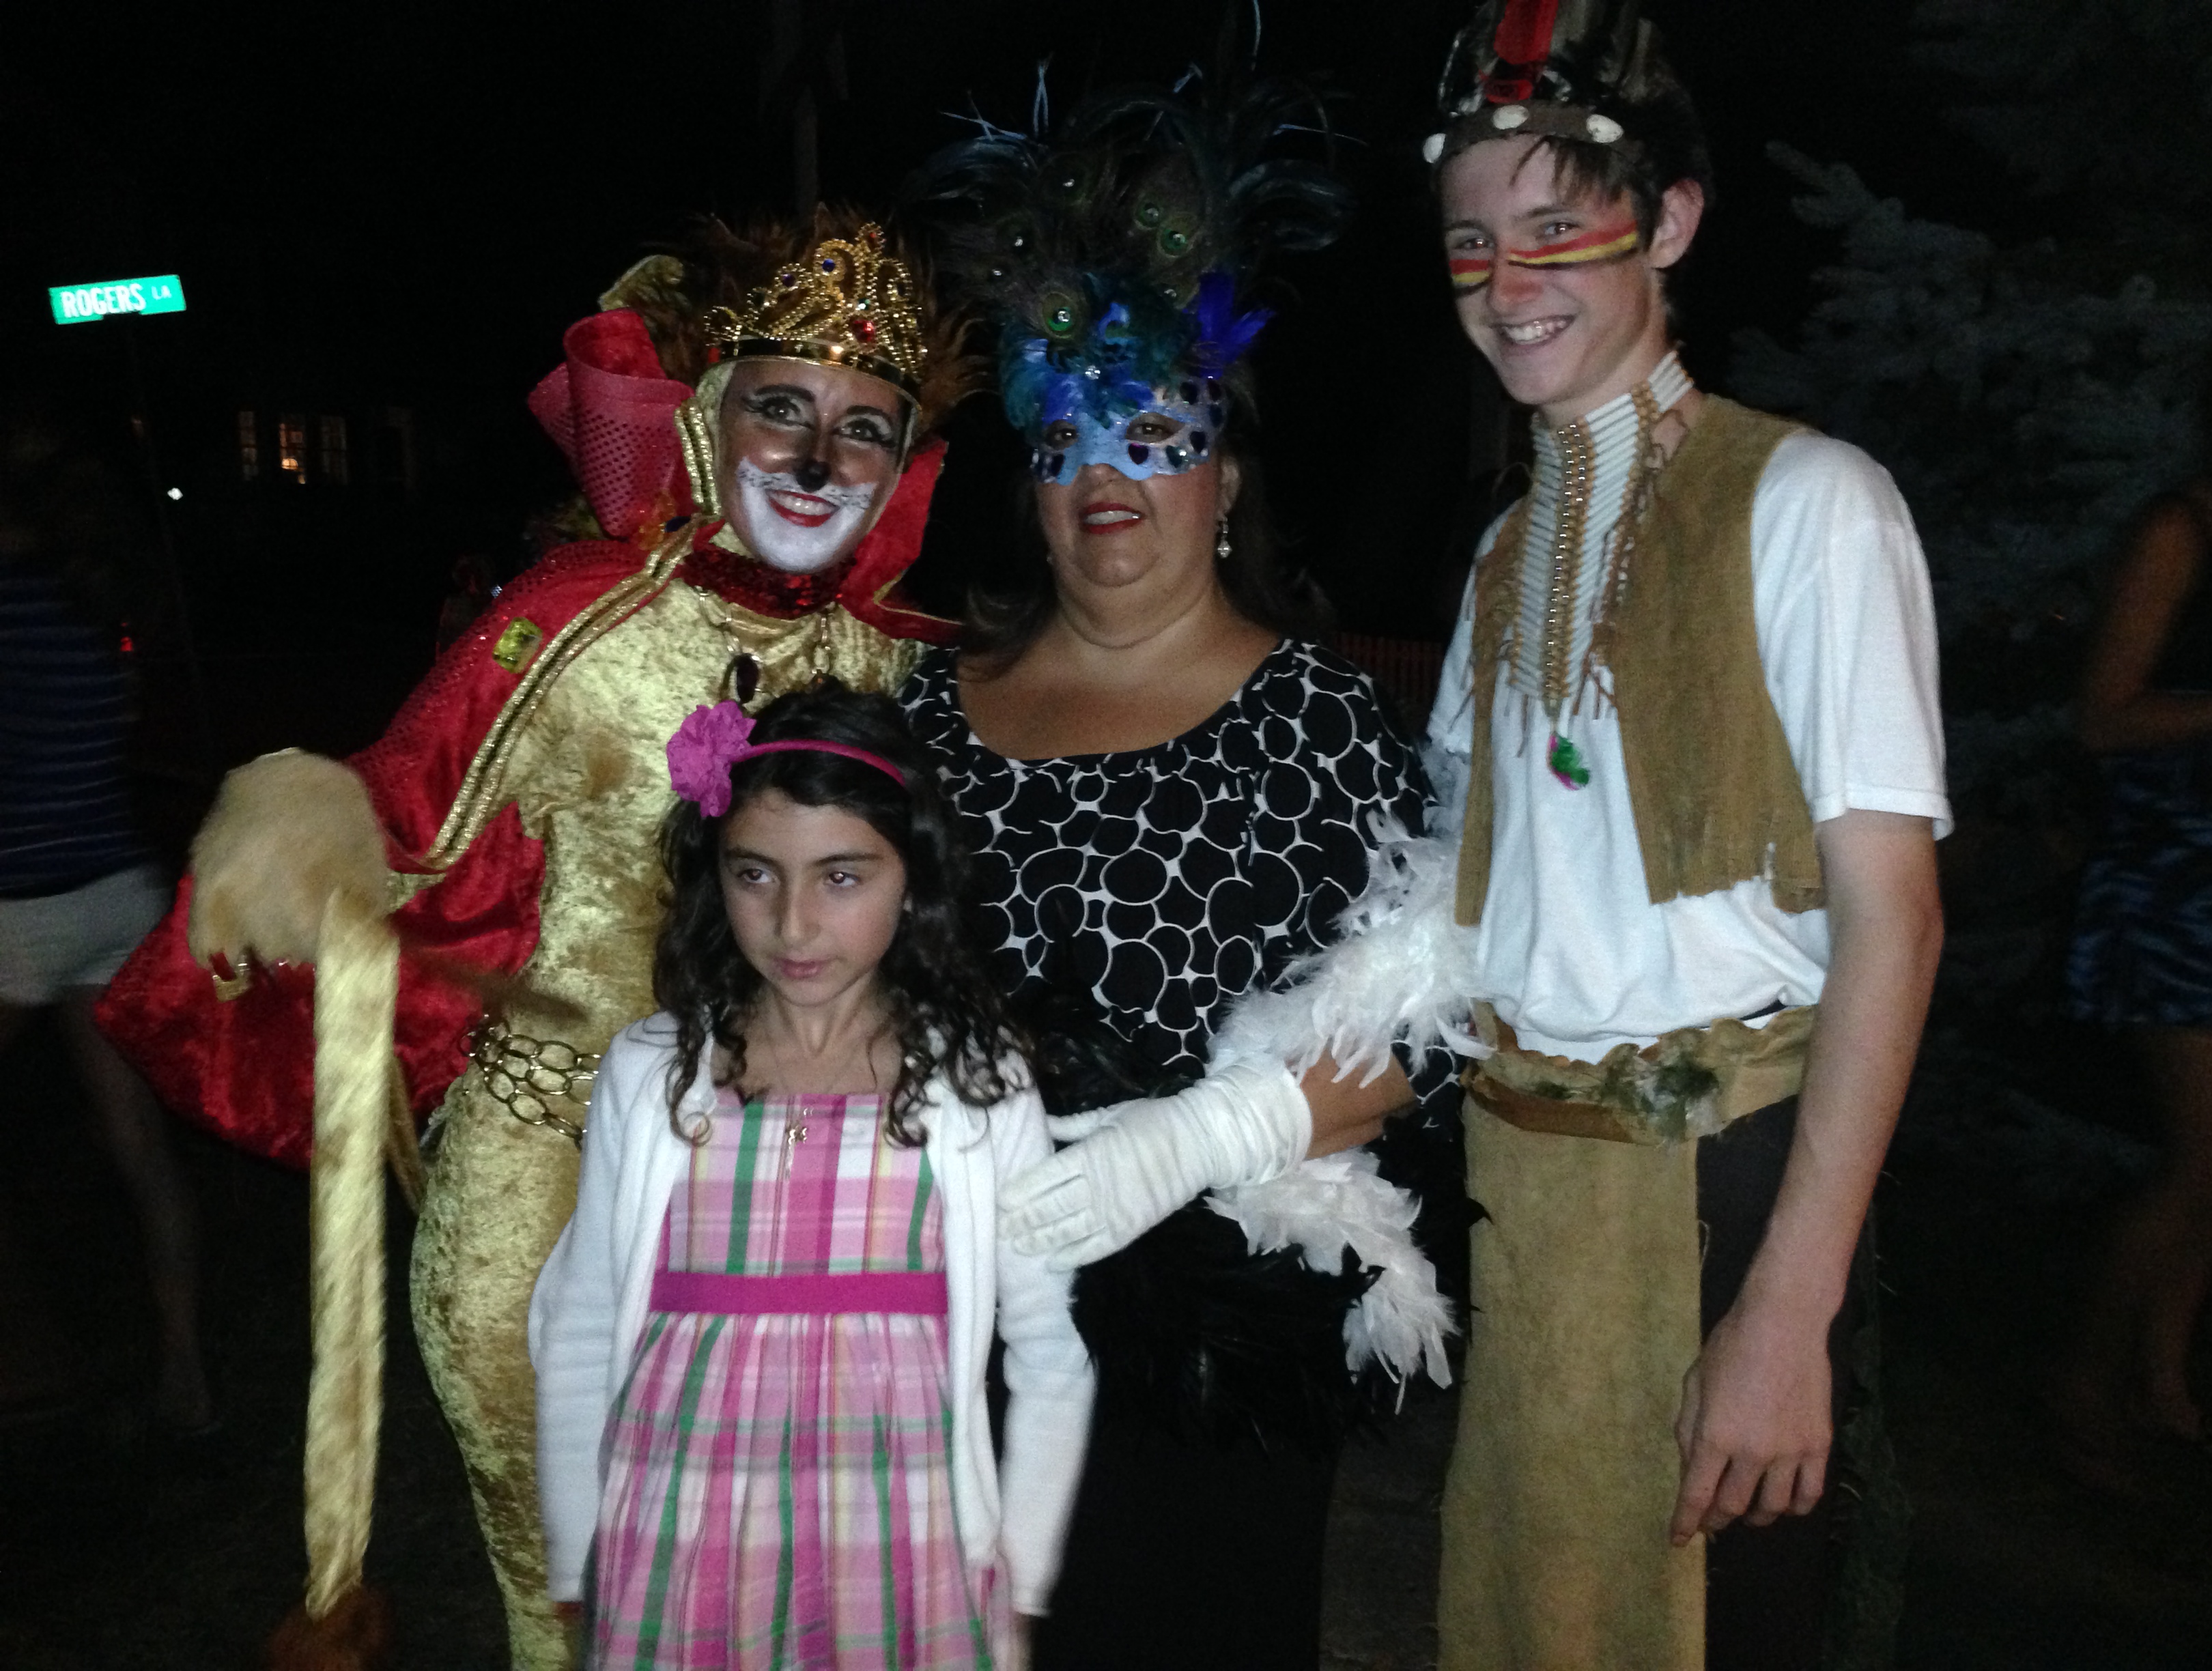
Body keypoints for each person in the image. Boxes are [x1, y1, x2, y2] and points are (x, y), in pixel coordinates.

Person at [96, 210, 973, 1668]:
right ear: (705, 418)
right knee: (566, 1583)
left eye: (863, 428)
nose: (818, 459)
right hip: (545, 1165)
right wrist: (302, 834)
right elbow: (410, 811)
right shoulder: (576, 620)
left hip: (785, 1185)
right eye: (783, 408)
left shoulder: (904, 663)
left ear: (901, 466)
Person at [906, 82, 1466, 1670]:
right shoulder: (923, 709)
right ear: (1031, 486)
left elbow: (1427, 1025)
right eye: (1070, 439)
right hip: (943, 1321)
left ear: (1224, 482)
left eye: (1157, 437)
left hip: (1210, 1355)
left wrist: (1201, 1140)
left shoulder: (1317, 717)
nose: (1111, 477)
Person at [1415, 5, 1947, 1668]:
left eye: (1555, 227)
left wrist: (1787, 1310)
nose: (1509, 284)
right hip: (1531, 1197)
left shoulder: (1813, 503)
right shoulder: (1503, 558)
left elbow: (1897, 921)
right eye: (1472, 243)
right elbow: (1459, 895)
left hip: (1725, 1190)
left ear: (1673, 223)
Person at [530, 687, 1091, 1670]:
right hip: (679, 1542)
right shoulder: (652, 1076)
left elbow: (1048, 1348)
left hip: (902, 1552)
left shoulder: (980, 1085)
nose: (793, 924)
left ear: (912, 879)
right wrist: (581, 1556)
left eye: (841, 877)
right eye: (755, 873)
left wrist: (1022, 1573)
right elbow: (581, 1324)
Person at [0, 396, 214, 1438]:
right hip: (117, 896)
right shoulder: (97, 611)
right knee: (139, 1148)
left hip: (17, 909)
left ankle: (28, 1356)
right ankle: (188, 1375)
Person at [2059, 373, 2212, 1485]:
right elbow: (2103, 717)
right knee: (2207, 1161)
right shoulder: (2183, 531)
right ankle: (2083, 1389)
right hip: (2173, 893)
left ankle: (2164, 1388)